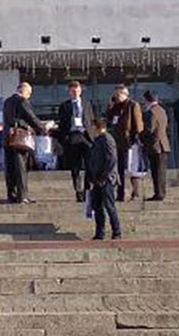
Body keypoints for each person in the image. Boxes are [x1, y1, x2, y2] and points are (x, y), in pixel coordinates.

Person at [54, 81, 100, 201]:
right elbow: (62, 124)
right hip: (73, 136)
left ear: (80, 91)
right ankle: (78, 191)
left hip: (86, 136)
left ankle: (87, 190)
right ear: (69, 92)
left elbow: (93, 120)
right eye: (73, 91)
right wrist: (64, 138)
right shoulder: (64, 106)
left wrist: (94, 134)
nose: (75, 93)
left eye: (77, 90)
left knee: (89, 165)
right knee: (75, 167)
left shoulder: (87, 104)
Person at [1, 82, 45, 203]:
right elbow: (30, 117)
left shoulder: (7, 101)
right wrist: (42, 127)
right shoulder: (22, 101)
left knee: (10, 168)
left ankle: (12, 195)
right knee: (21, 168)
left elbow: (9, 119)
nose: (29, 96)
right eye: (29, 93)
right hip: (20, 139)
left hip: (8, 138)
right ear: (24, 91)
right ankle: (22, 196)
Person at [85, 112, 123, 241]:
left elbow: (111, 159)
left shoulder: (107, 139)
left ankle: (116, 231)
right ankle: (99, 232)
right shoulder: (98, 140)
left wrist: (103, 176)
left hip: (106, 179)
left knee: (109, 206)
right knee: (97, 206)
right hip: (97, 178)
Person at [106, 85, 144, 201]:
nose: (116, 97)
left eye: (118, 95)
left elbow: (138, 123)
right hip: (117, 142)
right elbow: (109, 119)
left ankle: (135, 192)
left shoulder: (132, 105)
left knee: (132, 168)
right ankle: (120, 193)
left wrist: (137, 137)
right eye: (115, 95)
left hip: (129, 141)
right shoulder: (115, 107)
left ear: (125, 94)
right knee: (119, 169)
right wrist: (110, 105)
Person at [140, 91, 171, 201]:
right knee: (161, 171)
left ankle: (159, 193)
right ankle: (161, 192)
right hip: (164, 145)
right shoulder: (162, 110)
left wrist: (140, 136)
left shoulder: (151, 112)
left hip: (155, 145)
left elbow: (150, 129)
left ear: (148, 101)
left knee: (156, 171)